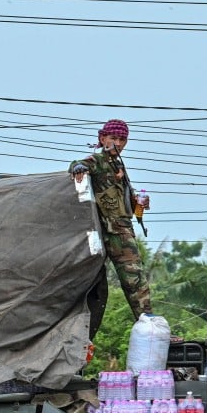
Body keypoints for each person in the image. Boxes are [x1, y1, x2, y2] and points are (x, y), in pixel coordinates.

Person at [70, 119, 152, 320]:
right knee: (134, 280)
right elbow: (78, 164)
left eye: (122, 139)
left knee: (135, 281)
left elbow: (122, 201)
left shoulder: (118, 166)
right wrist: (79, 168)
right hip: (111, 232)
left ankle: (147, 322)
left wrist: (138, 202)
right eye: (113, 138)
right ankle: (148, 322)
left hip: (123, 229)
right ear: (102, 138)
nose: (118, 143)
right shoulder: (99, 161)